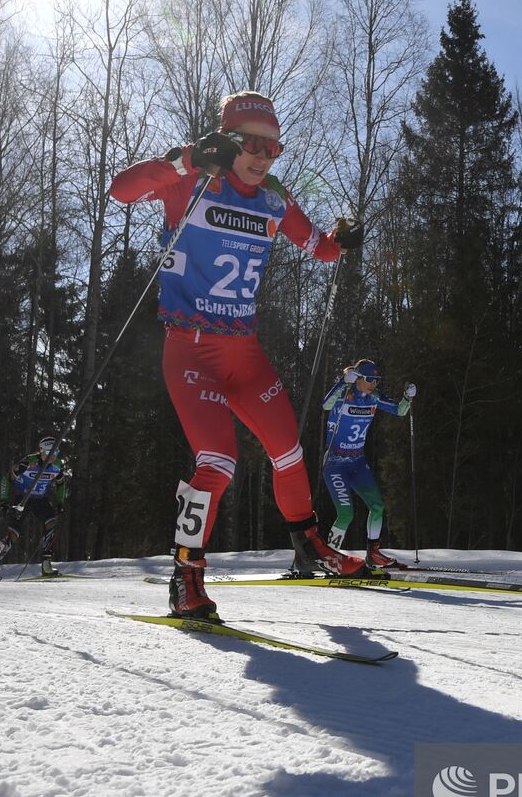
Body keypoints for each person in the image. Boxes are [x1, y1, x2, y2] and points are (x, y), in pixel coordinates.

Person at [109, 89, 366, 619]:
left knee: (287, 448)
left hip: (244, 352)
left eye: (273, 148)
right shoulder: (194, 178)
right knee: (219, 461)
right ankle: (186, 575)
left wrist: (342, 239)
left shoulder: (273, 197)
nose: (262, 156)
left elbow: (315, 245)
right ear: (229, 140)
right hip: (190, 350)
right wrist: (183, 158)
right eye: (252, 143)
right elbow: (121, 190)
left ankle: (308, 544)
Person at [320, 359, 416, 568]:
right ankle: (328, 558)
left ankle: (373, 555)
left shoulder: (373, 397)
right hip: (335, 463)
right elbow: (325, 404)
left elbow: (399, 410)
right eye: (370, 379)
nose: (374, 383)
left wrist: (407, 398)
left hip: (357, 461)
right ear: (358, 378)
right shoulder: (345, 394)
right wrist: (342, 383)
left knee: (378, 506)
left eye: (377, 380)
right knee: (346, 513)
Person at [0, 436, 71, 580]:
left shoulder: (58, 465)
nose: (52, 456)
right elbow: (7, 479)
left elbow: (61, 483)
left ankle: (46, 564)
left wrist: (60, 501)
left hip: (40, 500)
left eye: (55, 452)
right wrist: (3, 502)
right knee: (14, 533)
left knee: (51, 523)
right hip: (22, 499)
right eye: (49, 452)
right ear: (41, 451)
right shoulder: (28, 462)